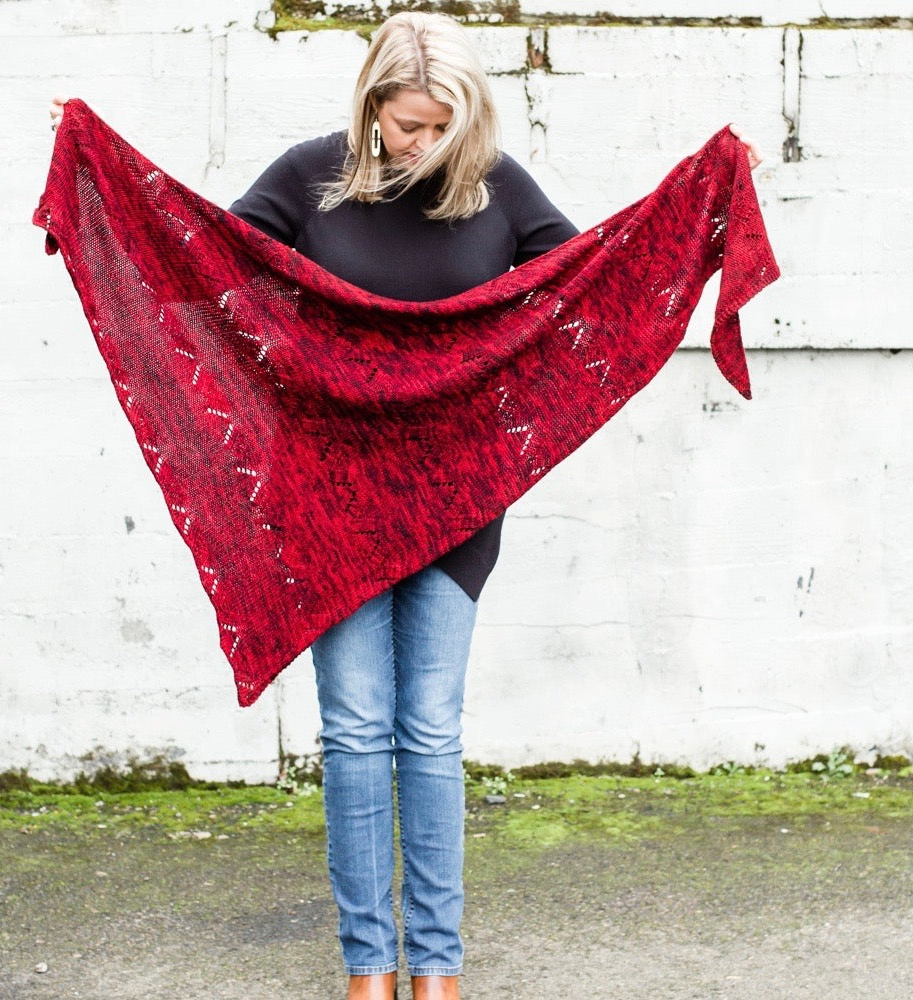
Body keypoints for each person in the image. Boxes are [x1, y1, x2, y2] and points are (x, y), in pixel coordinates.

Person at [49, 12, 760, 1000]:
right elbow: (202, 266)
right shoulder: (311, 178)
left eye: (441, 126)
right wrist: (97, 174)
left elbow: (593, 282)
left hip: (453, 501)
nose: (423, 143)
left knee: (428, 728)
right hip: (329, 501)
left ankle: (436, 965)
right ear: (371, 107)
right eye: (406, 124)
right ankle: (368, 965)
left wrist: (709, 192)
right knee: (354, 729)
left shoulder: (497, 187)